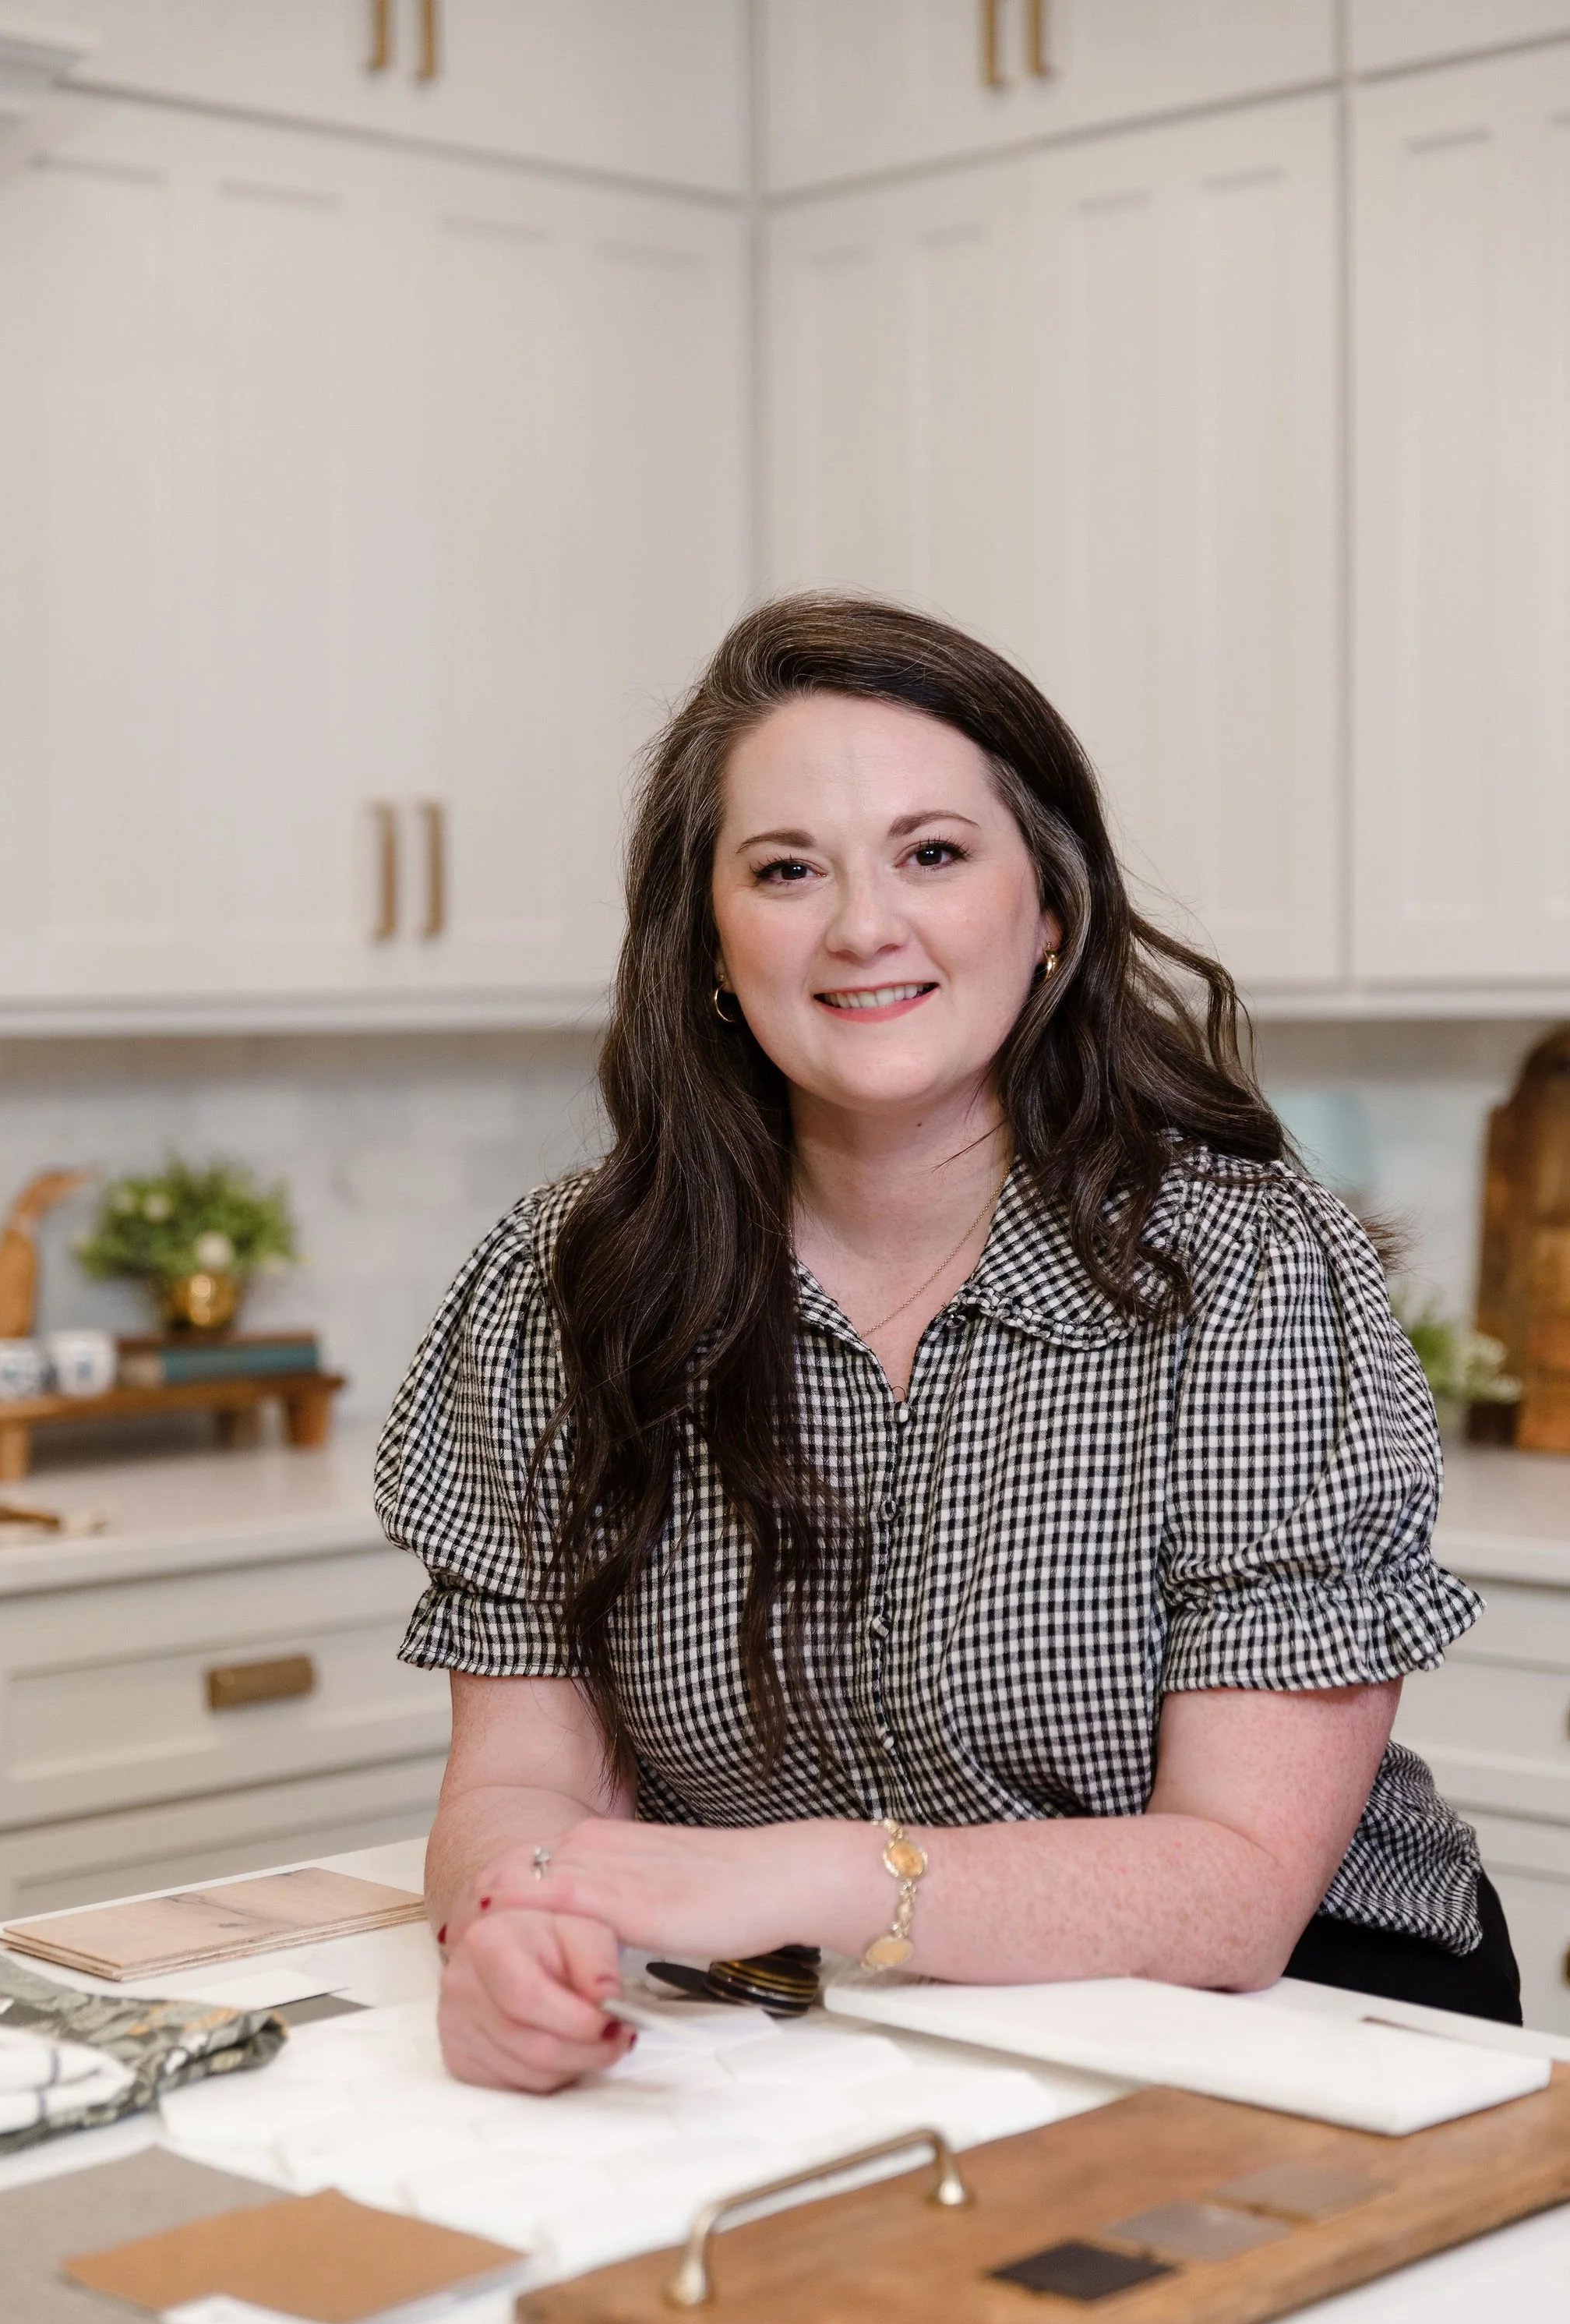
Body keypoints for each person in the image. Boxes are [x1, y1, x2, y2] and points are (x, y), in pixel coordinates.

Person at [376, 594, 1520, 2093]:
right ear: (710, 941)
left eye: (933, 853)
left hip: (1296, 2031)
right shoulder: (564, 1286)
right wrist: (517, 1927)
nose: (863, 926)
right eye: (788, 870)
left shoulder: (1242, 1273)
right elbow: (521, 1779)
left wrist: (813, 1882)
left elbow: (1238, 1888)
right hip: (823, 2036)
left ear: (1048, 907)